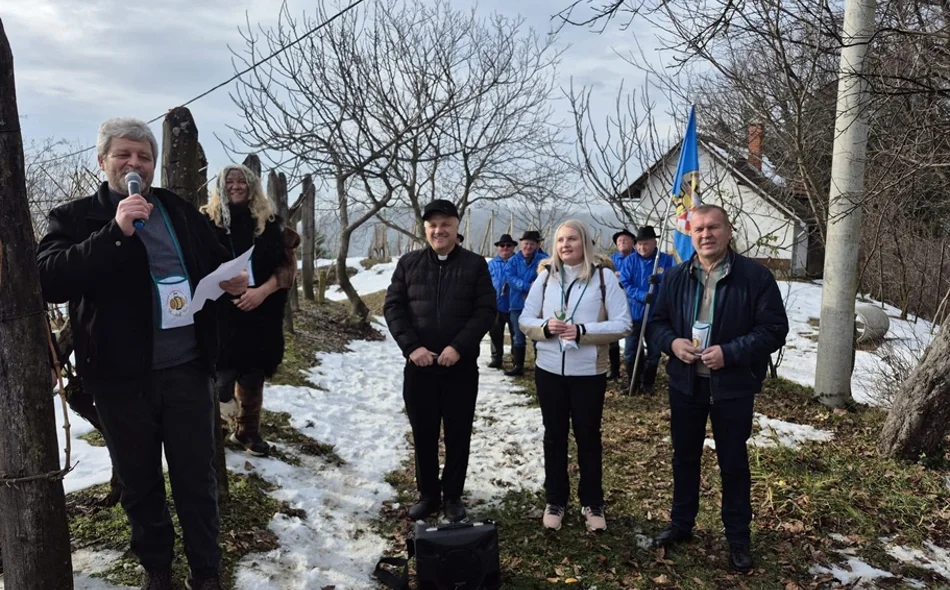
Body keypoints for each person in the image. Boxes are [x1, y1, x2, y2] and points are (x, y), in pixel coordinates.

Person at [36, 117, 247, 590]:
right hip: (119, 378)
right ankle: (158, 569)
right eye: (124, 155)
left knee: (197, 478)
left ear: (153, 165)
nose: (135, 164)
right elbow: (48, 278)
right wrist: (115, 232)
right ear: (103, 161)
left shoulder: (175, 208)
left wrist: (230, 279)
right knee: (140, 482)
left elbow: (213, 256)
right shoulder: (76, 217)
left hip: (187, 370)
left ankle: (206, 572)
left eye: (144, 157)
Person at [648, 204, 788, 572]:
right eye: (698, 230)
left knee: (733, 462)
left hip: (733, 387)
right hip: (685, 383)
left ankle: (738, 538)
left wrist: (730, 352)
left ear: (728, 231)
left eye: (713, 227)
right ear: (690, 235)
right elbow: (656, 323)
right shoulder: (676, 276)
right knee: (684, 457)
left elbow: (774, 329)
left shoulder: (755, 278)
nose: (706, 235)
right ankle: (681, 525)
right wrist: (672, 344)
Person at [384, 200, 496, 523]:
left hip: (459, 368)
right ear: (425, 229)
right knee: (424, 434)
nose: (439, 230)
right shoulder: (409, 264)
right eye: (432, 225)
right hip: (419, 368)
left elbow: (485, 311)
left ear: (457, 226)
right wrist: (412, 348)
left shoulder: (475, 266)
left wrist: (458, 347)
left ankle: (453, 497)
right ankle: (429, 494)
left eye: (445, 224)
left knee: (458, 434)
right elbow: (393, 308)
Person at [519, 220, 632, 532]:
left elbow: (624, 323)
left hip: (588, 373)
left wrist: (583, 331)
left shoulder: (604, 277)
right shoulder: (544, 278)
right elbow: (525, 319)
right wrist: (545, 328)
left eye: (572, 239)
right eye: (560, 240)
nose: (565, 245)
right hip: (549, 370)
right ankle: (555, 499)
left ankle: (592, 501)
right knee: (554, 436)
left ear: (585, 243)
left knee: (588, 437)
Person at [200, 164, 299, 457]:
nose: (235, 185)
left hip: (261, 311)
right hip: (220, 311)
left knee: (254, 374)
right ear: (220, 186)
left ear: (252, 186)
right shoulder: (206, 222)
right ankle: (216, 431)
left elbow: (286, 267)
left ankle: (248, 431)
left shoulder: (269, 223)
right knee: (222, 375)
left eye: (241, 181)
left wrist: (262, 292)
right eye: (228, 181)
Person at [620, 226, 675, 393]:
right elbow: (626, 283)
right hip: (635, 312)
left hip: (656, 315)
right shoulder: (630, 261)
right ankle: (633, 382)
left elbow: (675, 277)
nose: (642, 248)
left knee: (654, 352)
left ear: (654, 243)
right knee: (630, 351)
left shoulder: (664, 260)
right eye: (639, 244)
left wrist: (661, 279)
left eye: (646, 244)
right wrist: (642, 295)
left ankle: (648, 383)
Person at [504, 230, 549, 376]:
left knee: (537, 334)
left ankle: (540, 365)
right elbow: (511, 278)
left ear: (537, 245)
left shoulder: (544, 260)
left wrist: (535, 287)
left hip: (538, 305)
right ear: (521, 244)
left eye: (531, 244)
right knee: (518, 336)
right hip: (516, 304)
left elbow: (547, 277)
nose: (528, 247)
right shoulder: (513, 261)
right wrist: (527, 286)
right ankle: (518, 365)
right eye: (525, 244)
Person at [607, 228, 636, 379]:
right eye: (619, 241)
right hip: (614, 301)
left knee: (633, 338)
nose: (622, 242)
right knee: (613, 337)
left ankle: (636, 372)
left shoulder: (637, 258)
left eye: (625, 240)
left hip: (633, 301)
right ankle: (615, 370)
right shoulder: (611, 260)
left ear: (633, 242)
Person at [487, 233, 518, 369]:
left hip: (514, 305)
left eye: (508, 245)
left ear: (513, 247)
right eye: (502, 245)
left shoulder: (518, 262)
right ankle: (496, 358)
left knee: (516, 335)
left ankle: (516, 359)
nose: (505, 248)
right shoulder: (491, 264)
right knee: (495, 333)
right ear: (498, 248)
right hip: (496, 305)